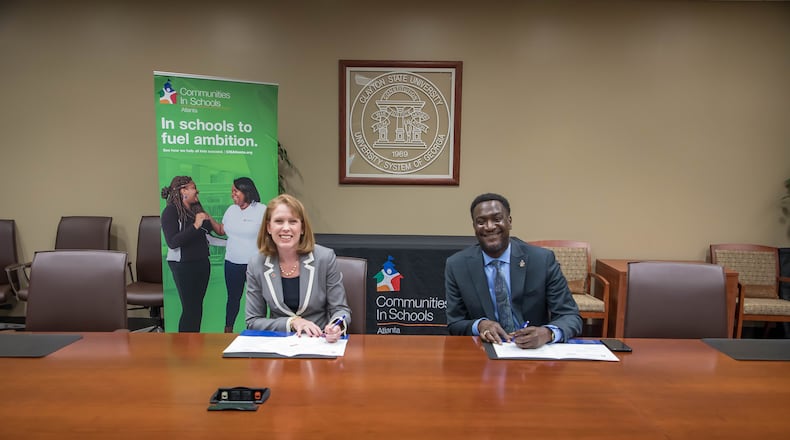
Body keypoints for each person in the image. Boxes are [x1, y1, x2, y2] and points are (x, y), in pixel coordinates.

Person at [445, 193, 582, 348]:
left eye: (497, 219)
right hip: (486, 351)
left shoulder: (541, 260)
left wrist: (547, 333)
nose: (489, 227)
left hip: (535, 352)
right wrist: (480, 325)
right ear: (474, 227)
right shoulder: (457, 265)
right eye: (481, 222)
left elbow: (570, 315)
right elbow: (455, 324)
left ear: (509, 222)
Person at [245, 194, 351, 343]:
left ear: (302, 228)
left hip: (319, 342)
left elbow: (340, 310)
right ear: (269, 227)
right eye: (279, 221)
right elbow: (253, 321)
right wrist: (292, 322)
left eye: (293, 222)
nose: (286, 228)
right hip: (278, 344)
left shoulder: (324, 258)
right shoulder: (257, 264)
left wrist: (336, 325)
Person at [160, 176, 216, 332]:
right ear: (183, 191)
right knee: (190, 307)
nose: (197, 190)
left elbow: (209, 234)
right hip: (183, 265)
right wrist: (196, 225)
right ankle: (185, 347)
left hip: (202, 263)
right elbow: (173, 242)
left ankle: (194, 343)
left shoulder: (196, 209)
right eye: (193, 187)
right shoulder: (170, 212)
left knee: (197, 307)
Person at [211, 177, 266, 333]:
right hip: (232, 263)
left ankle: (258, 331)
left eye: (235, 191)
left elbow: (271, 234)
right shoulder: (231, 210)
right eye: (232, 191)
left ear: (246, 191)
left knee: (258, 299)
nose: (232, 194)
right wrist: (208, 218)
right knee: (233, 299)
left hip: (255, 264)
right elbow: (222, 230)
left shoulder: (262, 210)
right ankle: (228, 330)